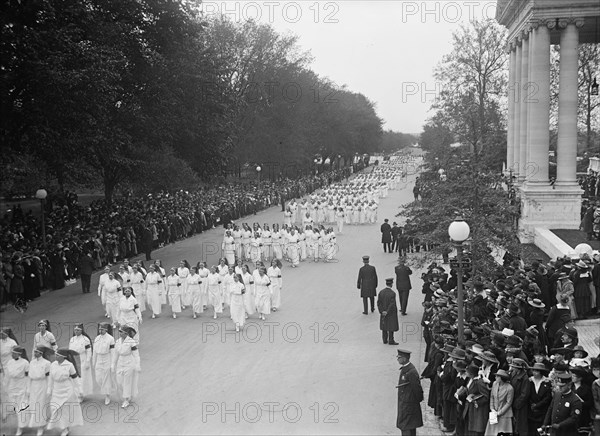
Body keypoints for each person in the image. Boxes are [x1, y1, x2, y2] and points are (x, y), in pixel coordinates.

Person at [46, 348, 84, 436]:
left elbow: (75, 379)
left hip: (67, 390)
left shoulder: (69, 365)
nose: (56, 356)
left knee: (64, 411)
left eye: (58, 355)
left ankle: (65, 429)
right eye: (56, 354)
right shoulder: (53, 365)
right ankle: (63, 427)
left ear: (63, 357)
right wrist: (49, 390)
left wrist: (80, 390)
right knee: (55, 409)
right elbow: (51, 379)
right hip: (56, 390)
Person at [543, 371, 583, 436]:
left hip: (567, 431)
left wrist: (560, 425)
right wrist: (545, 423)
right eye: (559, 385)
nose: (560, 388)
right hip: (554, 431)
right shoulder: (557, 395)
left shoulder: (575, 400)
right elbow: (550, 409)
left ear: (569, 385)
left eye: (562, 386)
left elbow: (574, 418)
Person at [396, 349, 424, 436]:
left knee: (406, 427)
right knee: (409, 426)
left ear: (404, 359)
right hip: (406, 403)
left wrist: (413, 401)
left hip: (409, 404)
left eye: (399, 357)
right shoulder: (406, 369)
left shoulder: (411, 372)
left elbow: (417, 389)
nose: (397, 359)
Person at [26, 345, 52, 436]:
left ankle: (41, 427)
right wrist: (28, 389)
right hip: (33, 386)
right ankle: (37, 423)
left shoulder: (47, 363)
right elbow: (29, 377)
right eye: (35, 351)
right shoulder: (32, 362)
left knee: (40, 405)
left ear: (41, 353)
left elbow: (49, 377)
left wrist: (49, 389)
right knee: (33, 405)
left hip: (42, 385)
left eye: (37, 352)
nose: (35, 353)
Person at [113, 325, 140, 409]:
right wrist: (113, 364)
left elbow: (136, 354)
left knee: (127, 382)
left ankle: (126, 399)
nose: (120, 333)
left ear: (126, 333)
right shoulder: (117, 341)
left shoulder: (131, 342)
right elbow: (115, 354)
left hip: (129, 363)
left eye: (122, 332)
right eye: (120, 332)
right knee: (119, 382)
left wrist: (137, 365)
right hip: (120, 363)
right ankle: (127, 395)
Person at [6, 346, 29, 436]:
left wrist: (27, 389)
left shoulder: (25, 363)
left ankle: (20, 427)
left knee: (20, 408)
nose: (12, 354)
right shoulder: (9, 362)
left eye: (14, 353)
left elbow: (28, 377)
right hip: (12, 387)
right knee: (14, 408)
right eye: (12, 353)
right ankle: (21, 423)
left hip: (21, 387)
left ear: (19, 354)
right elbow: (8, 375)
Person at [484, 369, 513, 436]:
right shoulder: (494, 384)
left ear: (502, 378)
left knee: (502, 433)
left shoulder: (510, 388)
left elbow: (509, 403)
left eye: (497, 376)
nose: (495, 377)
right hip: (494, 413)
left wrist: (499, 413)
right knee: (491, 433)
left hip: (505, 415)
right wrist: (492, 409)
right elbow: (492, 397)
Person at [68, 324, 93, 400]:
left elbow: (89, 351)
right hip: (74, 359)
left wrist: (88, 361)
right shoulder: (72, 339)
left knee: (83, 377)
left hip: (82, 359)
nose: (76, 331)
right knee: (75, 377)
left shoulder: (85, 339)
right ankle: (77, 393)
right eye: (75, 330)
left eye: (78, 330)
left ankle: (82, 394)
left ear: (81, 330)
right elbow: (69, 350)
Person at [93, 322, 115, 406]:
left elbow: (113, 352)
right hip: (99, 359)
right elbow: (94, 351)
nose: (100, 331)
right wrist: (93, 361)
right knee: (98, 378)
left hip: (107, 358)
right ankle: (106, 389)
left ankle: (107, 395)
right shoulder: (97, 338)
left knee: (106, 379)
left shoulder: (111, 339)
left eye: (102, 329)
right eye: (99, 329)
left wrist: (112, 364)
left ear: (106, 330)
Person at [528, 363, 553, 435]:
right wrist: (532, 405)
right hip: (531, 411)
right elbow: (527, 394)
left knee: (541, 431)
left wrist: (537, 405)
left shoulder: (547, 382)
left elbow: (548, 398)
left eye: (537, 371)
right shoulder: (529, 381)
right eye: (534, 371)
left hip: (542, 411)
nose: (534, 373)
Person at [377, 278, 399, 345]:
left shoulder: (381, 292)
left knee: (384, 325)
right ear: (392, 284)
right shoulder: (392, 293)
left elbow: (379, 303)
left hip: (383, 312)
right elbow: (392, 304)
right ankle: (391, 340)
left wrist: (382, 311)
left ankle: (384, 339)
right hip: (390, 313)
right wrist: (387, 311)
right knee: (391, 326)